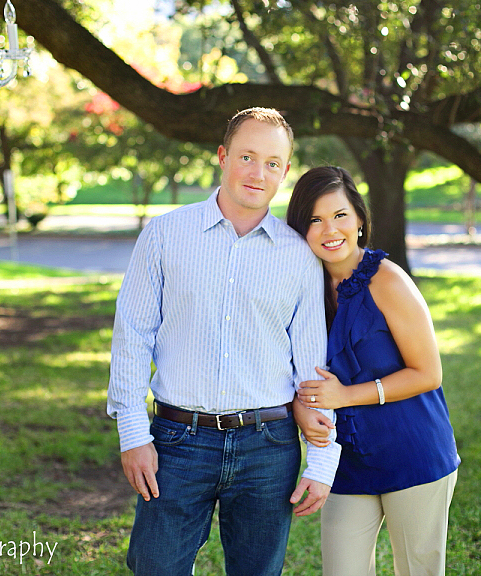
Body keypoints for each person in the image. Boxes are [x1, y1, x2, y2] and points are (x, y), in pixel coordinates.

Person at [107, 108, 341, 576]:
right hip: (177, 442)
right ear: (222, 156)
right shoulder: (164, 236)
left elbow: (313, 367)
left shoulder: (299, 256)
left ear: (286, 171)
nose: (259, 173)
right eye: (248, 157)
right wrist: (133, 434)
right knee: (155, 568)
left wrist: (321, 459)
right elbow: (132, 337)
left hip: (268, 446)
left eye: (273, 163)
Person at [286, 166, 460, 576]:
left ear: (360, 220)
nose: (330, 229)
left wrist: (345, 395)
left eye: (340, 215)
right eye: (315, 219)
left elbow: (428, 373)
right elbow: (290, 366)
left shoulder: (387, 280)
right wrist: (300, 406)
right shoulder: (300, 287)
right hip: (347, 462)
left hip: (412, 454)